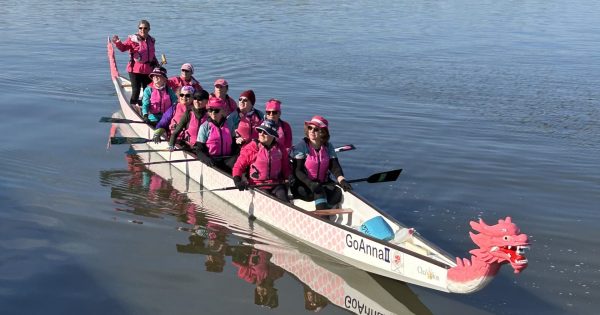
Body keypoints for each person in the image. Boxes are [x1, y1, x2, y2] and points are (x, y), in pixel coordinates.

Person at [290, 116, 353, 210]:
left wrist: (342, 180)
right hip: (303, 185)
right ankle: (324, 217)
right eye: (310, 128)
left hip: (323, 183)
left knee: (337, 192)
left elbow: (334, 167)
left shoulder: (328, 147)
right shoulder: (301, 146)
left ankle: (324, 207)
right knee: (319, 192)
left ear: (323, 132)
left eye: (315, 129)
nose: (311, 131)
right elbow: (298, 171)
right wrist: (310, 183)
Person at [232, 120, 291, 201]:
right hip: (257, 185)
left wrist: (290, 176)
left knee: (283, 197)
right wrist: (237, 181)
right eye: (260, 131)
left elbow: (285, 167)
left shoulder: (280, 148)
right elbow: (238, 166)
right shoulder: (253, 147)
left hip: (276, 184)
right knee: (267, 198)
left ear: (273, 135)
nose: (261, 134)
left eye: (265, 132)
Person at [112, 20, 158, 106]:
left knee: (147, 90)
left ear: (149, 29)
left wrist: (157, 64)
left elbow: (152, 54)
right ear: (138, 29)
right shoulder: (133, 39)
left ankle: (145, 108)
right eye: (140, 28)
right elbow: (123, 48)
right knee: (136, 90)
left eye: (145, 28)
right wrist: (117, 42)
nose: (142, 30)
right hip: (135, 69)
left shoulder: (151, 40)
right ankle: (132, 107)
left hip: (148, 70)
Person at [194, 97, 238, 172]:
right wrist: (206, 159)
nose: (213, 113)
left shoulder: (229, 124)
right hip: (212, 160)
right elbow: (199, 149)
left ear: (222, 111)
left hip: (227, 159)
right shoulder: (204, 127)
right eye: (210, 110)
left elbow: (234, 144)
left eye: (216, 110)